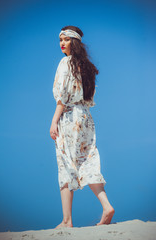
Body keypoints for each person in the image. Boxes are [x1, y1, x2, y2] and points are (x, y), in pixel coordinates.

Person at [50, 26, 115, 229]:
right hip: (86, 118)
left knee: (66, 163)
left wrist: (54, 121)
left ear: (74, 42)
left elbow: (62, 96)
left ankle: (67, 221)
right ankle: (106, 206)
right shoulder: (86, 67)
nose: (62, 43)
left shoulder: (65, 63)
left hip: (69, 117)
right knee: (88, 160)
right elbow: (89, 98)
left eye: (66, 39)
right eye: (60, 39)